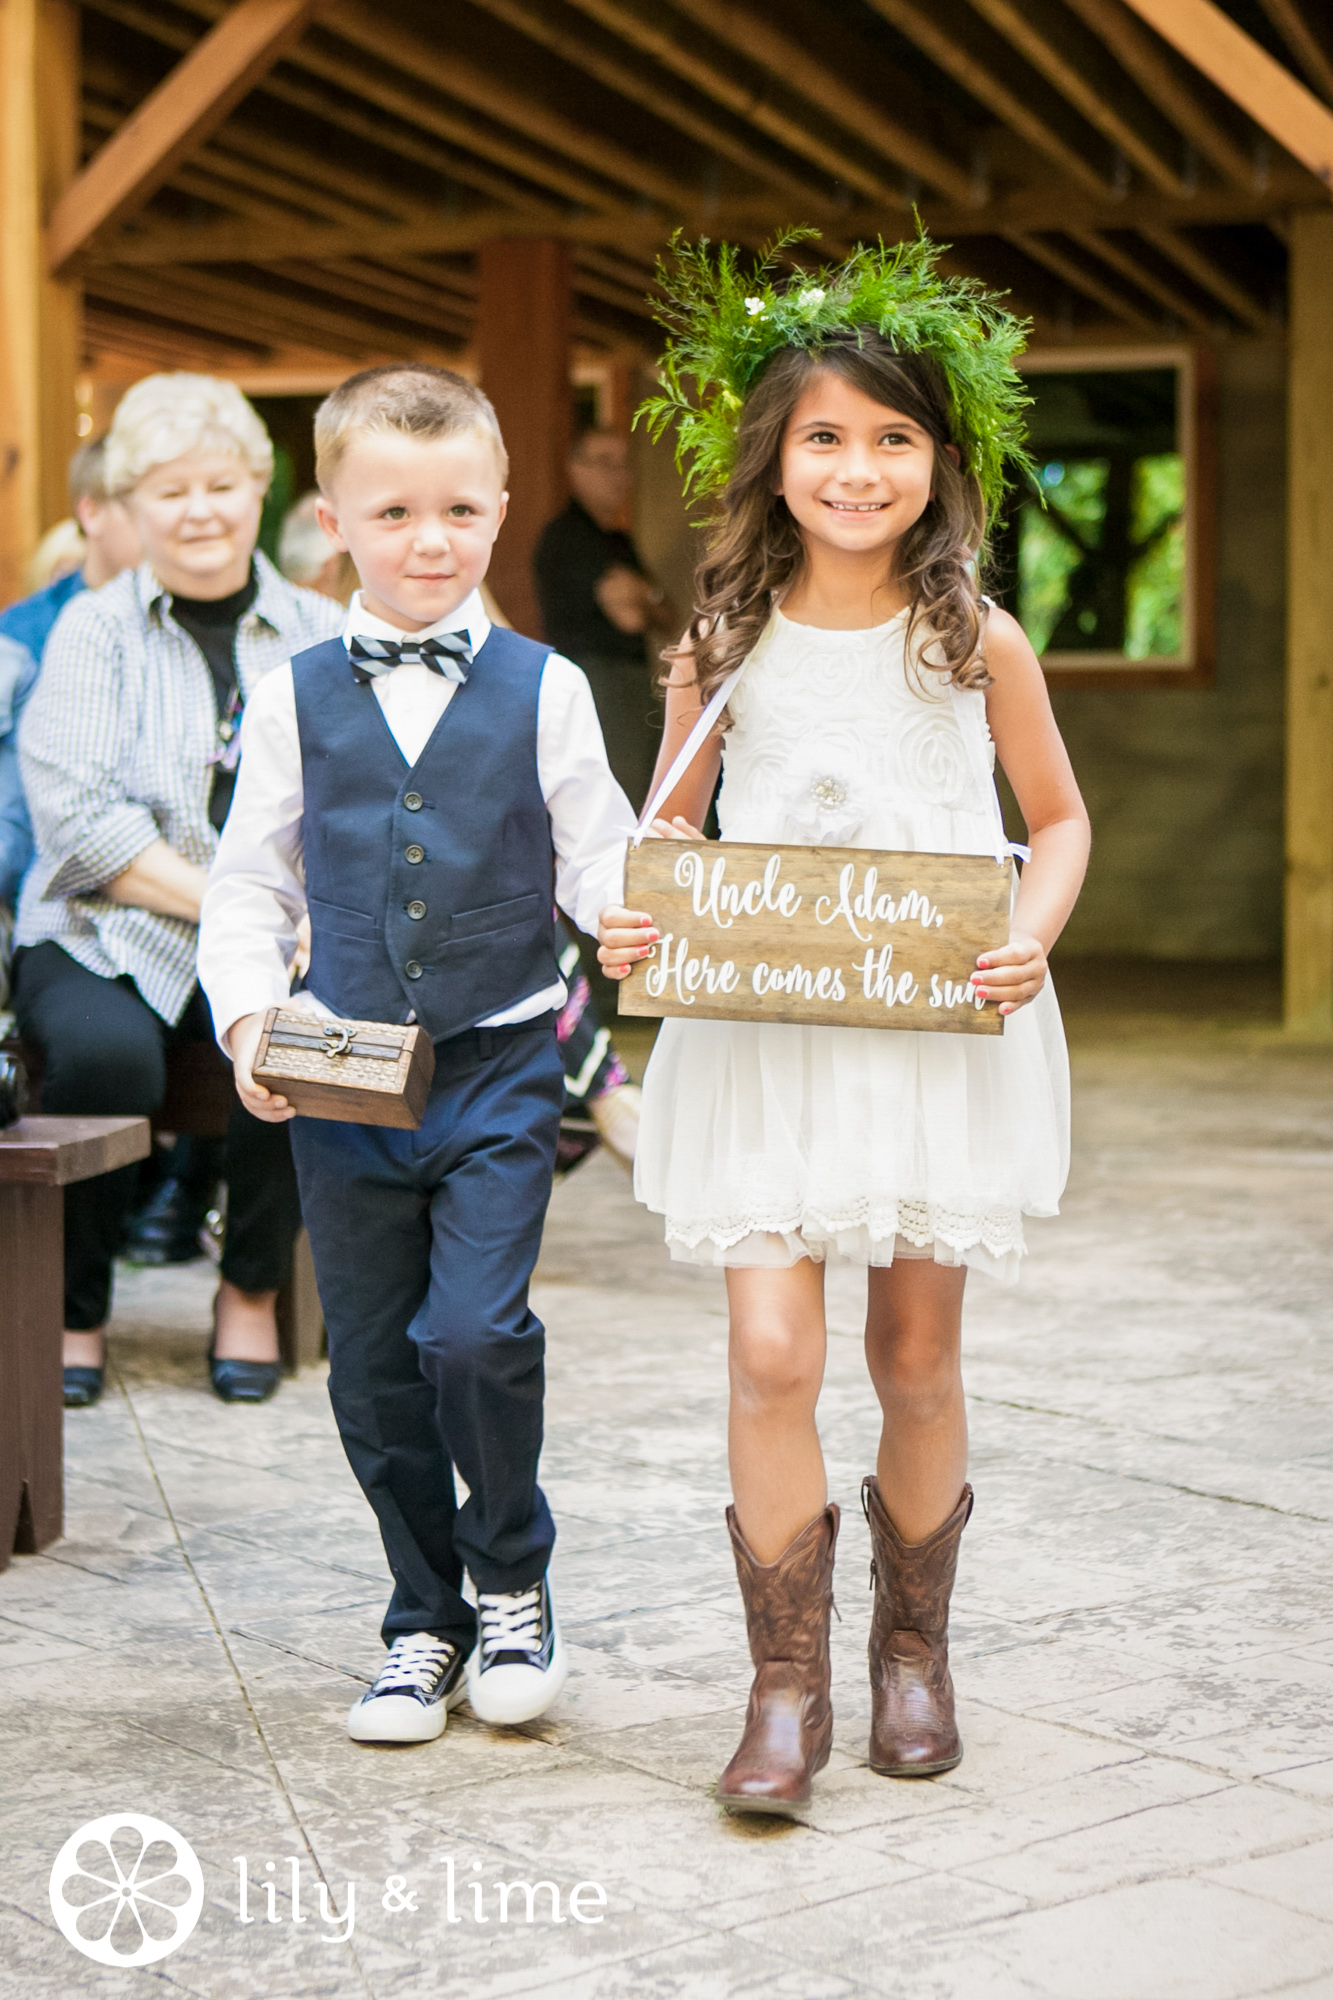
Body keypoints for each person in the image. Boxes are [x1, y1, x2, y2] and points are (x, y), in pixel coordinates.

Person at [598, 237, 1089, 1815]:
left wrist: (1024, 937)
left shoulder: (974, 643)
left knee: (915, 1350)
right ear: (774, 459)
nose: (858, 467)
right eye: (825, 436)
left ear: (939, 462)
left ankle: (912, 1660)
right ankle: (784, 1687)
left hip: (932, 1031)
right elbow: (668, 839)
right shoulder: (723, 645)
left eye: (892, 438)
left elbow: (1063, 821)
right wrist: (640, 907)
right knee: (766, 1348)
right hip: (767, 1038)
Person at [198, 364, 635, 1745]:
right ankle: (420, 1616)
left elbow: (600, 846)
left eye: (457, 510)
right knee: (377, 1365)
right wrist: (247, 1013)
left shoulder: (546, 686)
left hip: (502, 1062)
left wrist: (636, 918)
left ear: (501, 511)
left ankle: (510, 1576)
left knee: (473, 1334)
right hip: (341, 1074)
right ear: (333, 519)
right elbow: (245, 886)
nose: (428, 539)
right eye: (393, 512)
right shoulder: (290, 696)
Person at [14, 373, 344, 1407]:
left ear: (257, 487)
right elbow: (83, 824)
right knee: (102, 1055)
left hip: (284, 929)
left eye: (220, 484)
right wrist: (241, 909)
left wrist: (296, 921)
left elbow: (359, 797)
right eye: (168, 491)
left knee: (290, 1036)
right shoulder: (92, 631)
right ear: (125, 510)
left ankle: (246, 1289)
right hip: (102, 922)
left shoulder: (325, 631)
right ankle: (75, 1307)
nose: (199, 510)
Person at [533, 427, 670, 809]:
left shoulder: (619, 542)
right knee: (615, 801)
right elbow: (630, 618)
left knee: (646, 794)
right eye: (605, 463)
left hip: (632, 681)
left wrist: (644, 594)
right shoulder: (567, 537)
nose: (618, 474)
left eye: (624, 464)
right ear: (575, 470)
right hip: (595, 682)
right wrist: (646, 596)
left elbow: (666, 613)